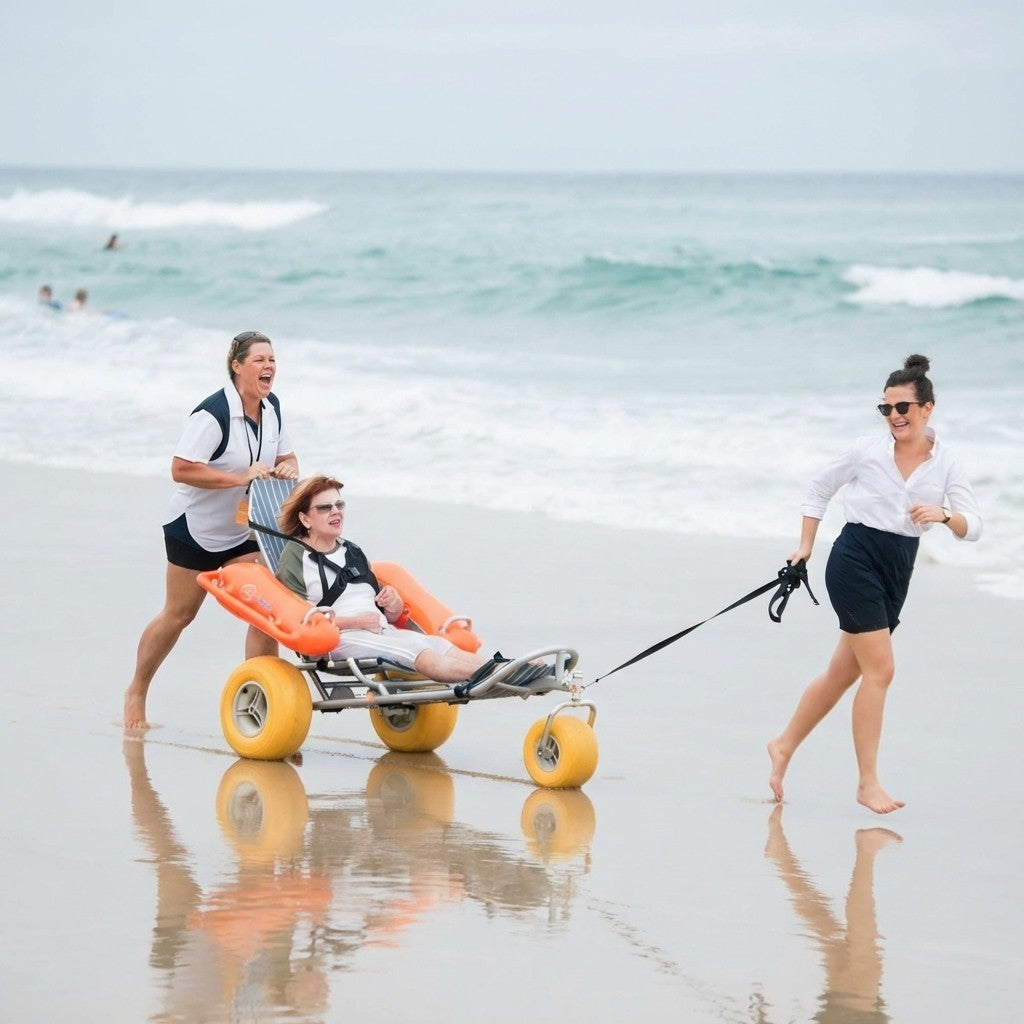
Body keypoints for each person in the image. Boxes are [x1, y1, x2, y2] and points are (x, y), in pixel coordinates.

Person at [767, 354, 981, 814]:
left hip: (898, 569)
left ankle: (782, 745)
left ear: (927, 408)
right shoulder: (866, 450)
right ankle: (868, 784)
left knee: (843, 674)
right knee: (881, 671)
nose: (894, 417)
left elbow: (974, 526)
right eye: (886, 409)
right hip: (854, 558)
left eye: (903, 407)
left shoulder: (947, 463)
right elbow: (818, 490)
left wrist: (944, 515)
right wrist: (805, 545)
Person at [124, 330, 299, 729]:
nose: (268, 366)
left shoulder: (271, 408)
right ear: (237, 366)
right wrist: (239, 478)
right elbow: (180, 469)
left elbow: (287, 455)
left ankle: (265, 708)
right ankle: (136, 690)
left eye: (272, 359)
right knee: (179, 615)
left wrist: (289, 467)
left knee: (264, 610)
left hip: (242, 533)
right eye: (259, 360)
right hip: (194, 531)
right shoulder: (213, 413)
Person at [276, 475, 489, 682]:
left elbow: (386, 613)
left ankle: (504, 671)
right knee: (416, 649)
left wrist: (393, 604)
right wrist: (356, 622)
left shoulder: (352, 551)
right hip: (338, 640)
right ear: (304, 518)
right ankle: (490, 678)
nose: (336, 512)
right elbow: (298, 619)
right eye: (325, 507)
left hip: (380, 632)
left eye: (339, 505)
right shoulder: (296, 556)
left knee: (437, 645)